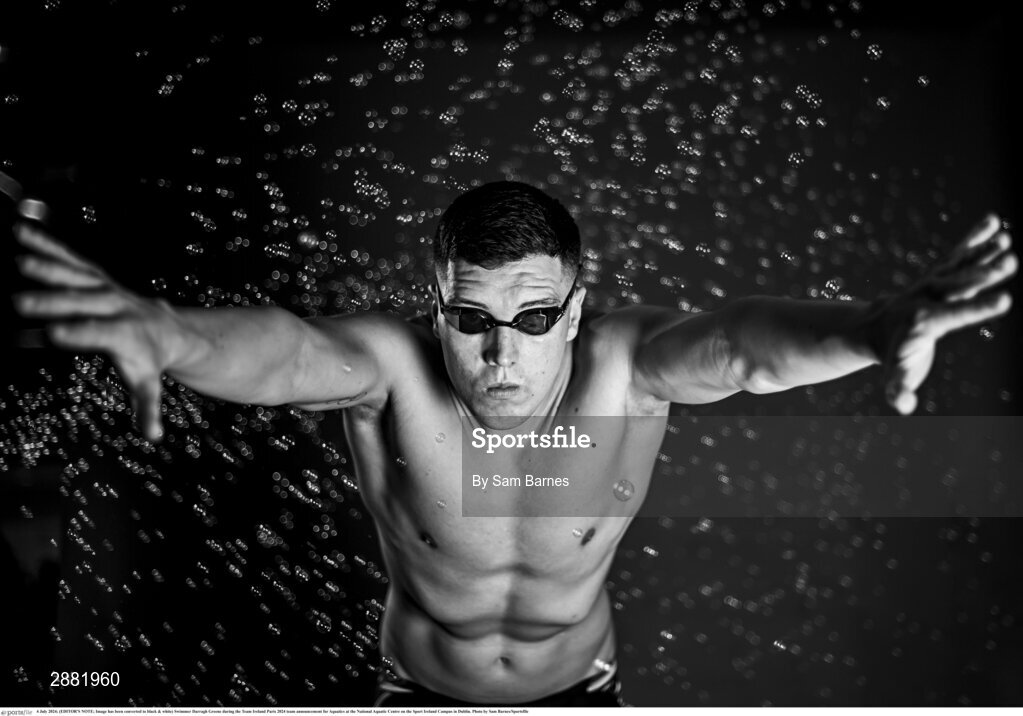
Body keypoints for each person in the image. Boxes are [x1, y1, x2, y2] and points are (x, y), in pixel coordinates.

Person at [10, 180, 1017, 706]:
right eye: (470, 320)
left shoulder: (627, 367)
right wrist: (171, 332)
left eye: (535, 320)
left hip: (582, 694)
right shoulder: (393, 371)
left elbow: (742, 349)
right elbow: (286, 356)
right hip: (415, 697)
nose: (501, 356)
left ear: (577, 308)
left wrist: (872, 328)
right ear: (434, 304)